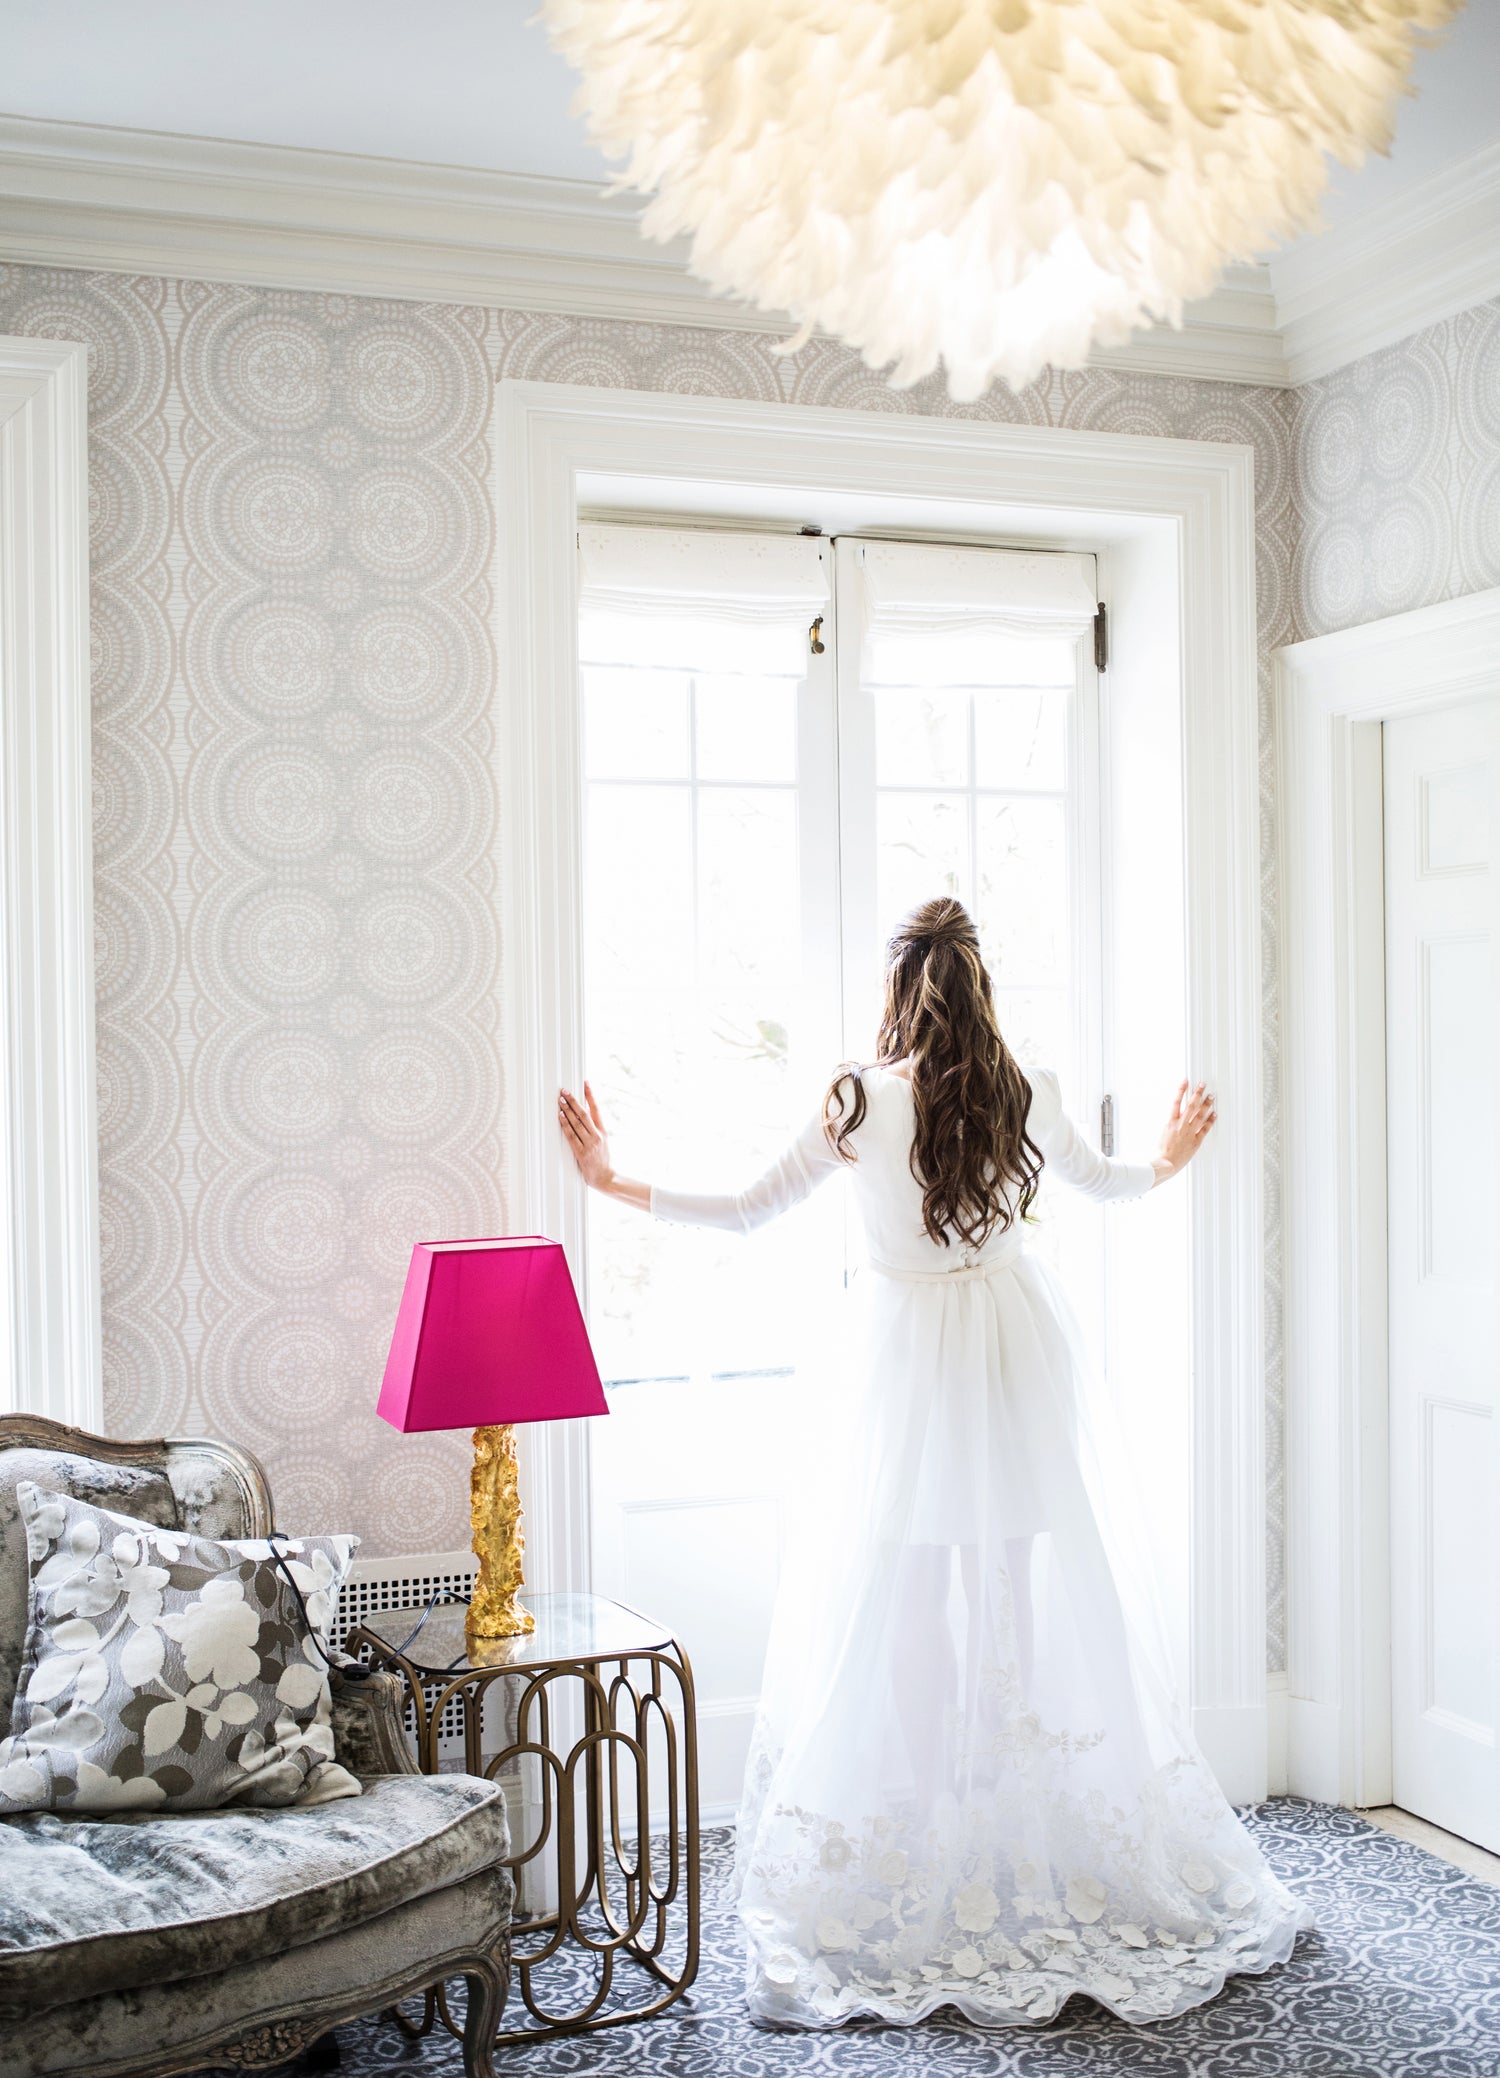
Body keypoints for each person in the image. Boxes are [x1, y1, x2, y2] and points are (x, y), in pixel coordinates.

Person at [559, 895, 1309, 2030]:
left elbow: (752, 1208)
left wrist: (613, 1182)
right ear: (978, 985)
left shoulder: (860, 1094)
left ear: (900, 989)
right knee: (1008, 1584)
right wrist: (1172, 1154)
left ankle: (939, 1817)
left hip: (907, 1364)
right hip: (1012, 1349)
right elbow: (1104, 1184)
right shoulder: (1023, 1085)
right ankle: (998, 1807)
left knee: (909, 1595)